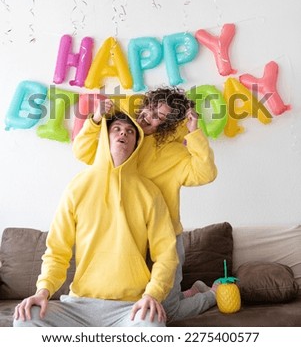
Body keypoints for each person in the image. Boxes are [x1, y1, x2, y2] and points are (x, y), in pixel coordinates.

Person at [14, 110, 178, 327]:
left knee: (152, 324)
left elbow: (166, 255)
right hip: (78, 306)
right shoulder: (78, 186)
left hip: (129, 309)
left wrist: (152, 295)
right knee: (26, 319)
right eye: (116, 129)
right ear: (105, 137)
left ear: (136, 143)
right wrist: (42, 292)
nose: (123, 134)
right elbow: (57, 251)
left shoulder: (150, 192)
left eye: (130, 132)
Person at [73, 87, 218, 322]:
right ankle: (187, 294)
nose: (149, 117)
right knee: (138, 308)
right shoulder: (126, 136)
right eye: (150, 109)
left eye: (159, 117)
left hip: (163, 241)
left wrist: (195, 133)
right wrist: (97, 119)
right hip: (128, 238)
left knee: (165, 313)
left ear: (169, 125)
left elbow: (206, 173)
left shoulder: (174, 153)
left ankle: (211, 294)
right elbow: (82, 152)